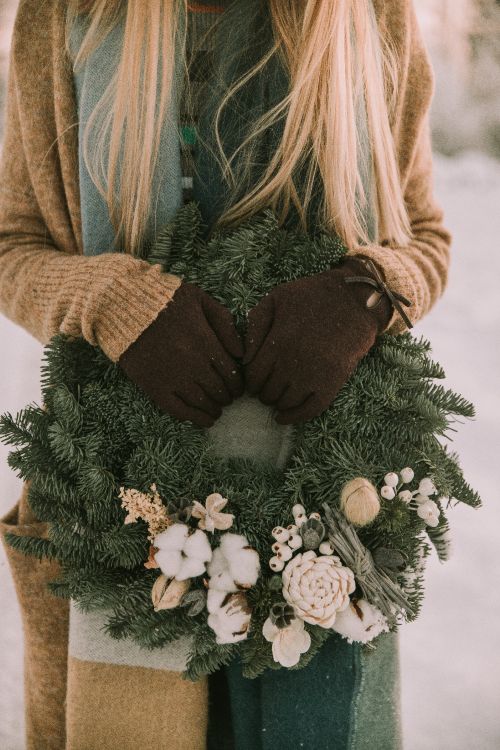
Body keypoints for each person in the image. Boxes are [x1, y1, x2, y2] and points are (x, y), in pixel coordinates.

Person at [0, 1, 451, 748]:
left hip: (330, 526)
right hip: (121, 513)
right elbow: (13, 246)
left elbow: (425, 235)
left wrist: (365, 294)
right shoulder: (70, 15)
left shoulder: (367, 17)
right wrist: (108, 299)